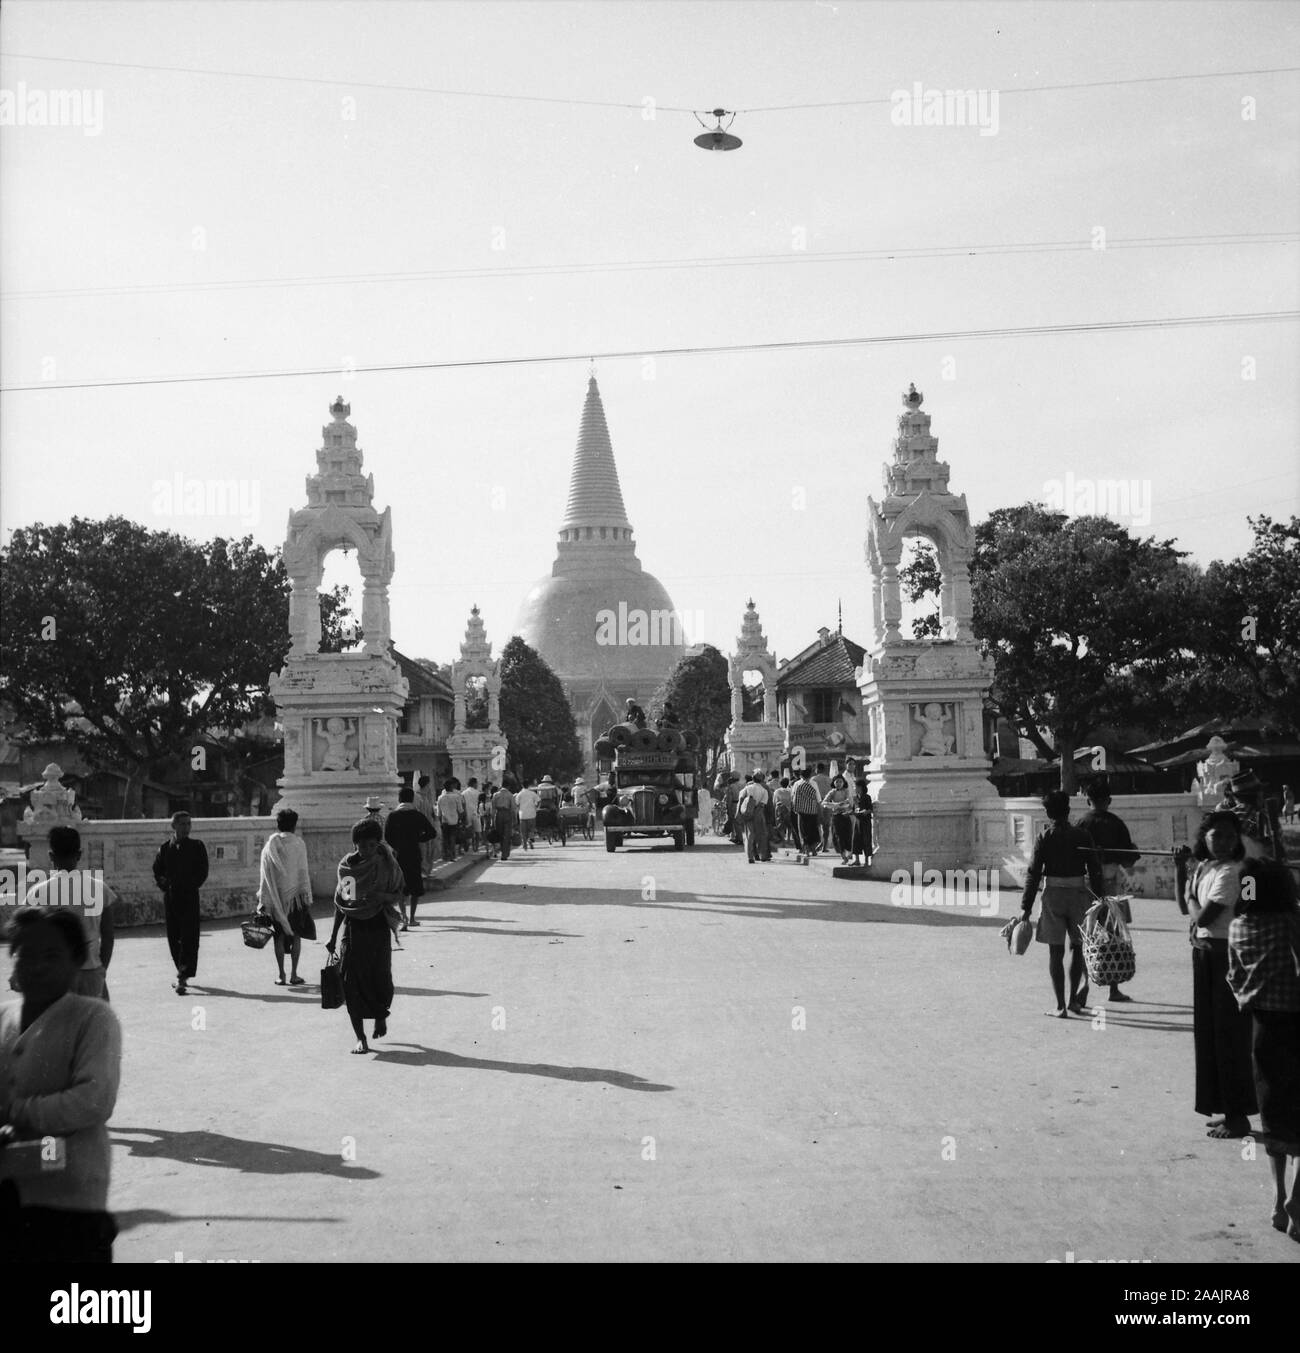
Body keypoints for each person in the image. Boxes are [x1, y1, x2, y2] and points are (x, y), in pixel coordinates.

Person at [0, 907, 123, 1261]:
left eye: (52, 955)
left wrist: (17, 1111)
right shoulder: (5, 1019)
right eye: (26, 954)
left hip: (71, 1198)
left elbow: (94, 1099)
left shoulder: (93, 1019)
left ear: (76, 962)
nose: (37, 965)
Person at [1227, 858, 1300, 1239]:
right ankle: (1298, 1202)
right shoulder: (1290, 922)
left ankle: (1278, 1199)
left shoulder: (1239, 927)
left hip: (1262, 1026)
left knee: (1272, 1110)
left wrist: (1250, 997)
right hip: (1296, 1020)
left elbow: (1234, 978)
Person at [1182, 811, 1258, 1138]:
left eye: (1230, 836)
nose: (1224, 842)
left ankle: (1238, 1116)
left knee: (1229, 1036)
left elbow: (1203, 917)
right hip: (1205, 955)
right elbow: (1185, 906)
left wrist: (1189, 901)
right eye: (1217, 836)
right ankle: (1227, 1108)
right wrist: (1180, 874)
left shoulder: (1231, 871)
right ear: (1205, 837)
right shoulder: (1205, 868)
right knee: (1210, 1035)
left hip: (1225, 956)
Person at [1019, 790, 1105, 1018]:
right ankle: (1074, 1001)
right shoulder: (1082, 836)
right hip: (1079, 894)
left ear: (1047, 812)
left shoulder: (1045, 837)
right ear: (1068, 810)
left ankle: (1060, 1006)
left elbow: (1033, 873)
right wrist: (1100, 901)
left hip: (1053, 896)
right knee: (1078, 949)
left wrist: (1025, 908)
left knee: (1055, 953)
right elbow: (1095, 871)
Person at [327, 819, 404, 1055]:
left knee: (380, 977)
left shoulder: (387, 864)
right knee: (351, 983)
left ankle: (381, 1015)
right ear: (355, 845)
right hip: (354, 929)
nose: (367, 850)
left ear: (377, 843)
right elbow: (345, 905)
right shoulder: (348, 869)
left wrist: (380, 896)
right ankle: (360, 1038)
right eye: (362, 846)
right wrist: (332, 937)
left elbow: (397, 894)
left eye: (371, 845)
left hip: (378, 926)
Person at [24, 826, 116, 1001]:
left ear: (51, 856)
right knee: (94, 1024)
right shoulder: (99, 888)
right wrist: (101, 968)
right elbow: (108, 935)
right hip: (91, 970)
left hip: (55, 973)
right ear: (79, 854)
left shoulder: (37, 893)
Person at [1077, 779, 1142, 1003]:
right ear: (1109, 800)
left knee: (1087, 933)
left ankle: (1084, 982)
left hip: (1086, 883)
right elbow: (1129, 861)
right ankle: (1113, 989)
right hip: (1111, 882)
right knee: (1113, 933)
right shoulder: (1116, 824)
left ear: (1088, 799)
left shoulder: (1081, 823)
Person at [151, 811, 208, 996]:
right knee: (174, 936)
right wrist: (165, 885)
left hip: (190, 896)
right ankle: (181, 970)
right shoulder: (165, 848)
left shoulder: (197, 846)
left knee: (190, 936)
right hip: (171, 897)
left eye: (188, 824)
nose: (186, 828)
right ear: (173, 826)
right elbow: (157, 870)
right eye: (182, 824)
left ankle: (183, 975)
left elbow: (202, 871)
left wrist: (191, 885)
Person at [256, 808, 316, 984]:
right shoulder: (299, 844)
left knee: (279, 936)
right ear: (295, 825)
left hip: (275, 899)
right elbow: (303, 872)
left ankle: (281, 975)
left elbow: (264, 877)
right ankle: (294, 974)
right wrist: (307, 898)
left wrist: (263, 901)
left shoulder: (269, 846)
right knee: (296, 934)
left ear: (278, 824)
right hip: (295, 899)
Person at [383, 788, 437, 929]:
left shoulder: (393, 816)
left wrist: (397, 846)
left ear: (399, 799)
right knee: (415, 887)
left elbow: (387, 836)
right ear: (412, 799)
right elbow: (432, 832)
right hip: (414, 854)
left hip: (399, 855)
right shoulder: (417, 815)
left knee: (401, 887)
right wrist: (418, 838)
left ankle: (404, 918)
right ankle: (412, 918)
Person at [791, 768, 822, 864]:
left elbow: (793, 797)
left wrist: (795, 809)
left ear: (800, 776)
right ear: (810, 775)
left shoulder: (797, 784)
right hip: (812, 811)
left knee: (803, 831)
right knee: (813, 830)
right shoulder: (813, 784)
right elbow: (818, 798)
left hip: (801, 811)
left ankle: (806, 850)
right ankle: (813, 850)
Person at [738, 771, 770, 863]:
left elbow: (741, 798)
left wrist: (739, 812)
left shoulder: (748, 788)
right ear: (762, 780)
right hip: (759, 814)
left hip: (748, 813)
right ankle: (762, 855)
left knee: (750, 835)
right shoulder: (764, 791)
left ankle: (750, 857)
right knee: (761, 835)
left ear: (753, 779)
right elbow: (762, 805)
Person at [824, 774, 856, 864]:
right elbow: (824, 802)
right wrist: (835, 805)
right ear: (834, 783)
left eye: (840, 781)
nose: (838, 783)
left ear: (843, 783)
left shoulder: (846, 791)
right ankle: (843, 855)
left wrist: (842, 804)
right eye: (837, 781)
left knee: (848, 835)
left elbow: (849, 802)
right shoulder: (832, 792)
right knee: (838, 836)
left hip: (846, 815)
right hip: (836, 816)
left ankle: (849, 853)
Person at [436, 779, 463, 862]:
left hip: (444, 821)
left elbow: (439, 813)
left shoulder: (440, 797)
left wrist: (440, 821)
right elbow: (460, 810)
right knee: (452, 838)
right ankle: (452, 856)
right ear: (451, 787)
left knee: (445, 839)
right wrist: (460, 820)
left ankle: (445, 856)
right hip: (454, 820)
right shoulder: (456, 797)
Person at [489, 782, 516, 860]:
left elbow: (493, 808)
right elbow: (513, 808)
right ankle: (505, 854)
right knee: (507, 834)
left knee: (500, 833)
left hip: (499, 814)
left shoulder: (496, 795)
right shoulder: (510, 795)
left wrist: (492, 820)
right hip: (507, 814)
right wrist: (514, 819)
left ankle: (502, 851)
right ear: (508, 786)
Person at [812, 763, 833, 852]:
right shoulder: (829, 779)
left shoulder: (813, 779)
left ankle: (816, 844)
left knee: (816, 826)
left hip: (817, 803)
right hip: (827, 803)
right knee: (826, 826)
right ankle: (824, 846)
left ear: (817, 769)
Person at [516, 780, 540, 849]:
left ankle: (524, 844)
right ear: (528, 785)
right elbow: (538, 801)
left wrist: (519, 809)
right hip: (532, 814)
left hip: (522, 815)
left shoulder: (519, 794)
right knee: (531, 829)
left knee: (523, 831)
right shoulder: (532, 793)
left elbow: (517, 803)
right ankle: (530, 840)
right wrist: (536, 807)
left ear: (522, 785)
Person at [462, 778, 483, 853]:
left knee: (467, 830)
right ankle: (476, 847)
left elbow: (463, 804)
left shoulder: (463, 793)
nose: (477, 785)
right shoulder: (478, 792)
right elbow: (479, 803)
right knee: (477, 831)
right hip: (475, 813)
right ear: (474, 783)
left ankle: (467, 844)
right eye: (477, 783)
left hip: (467, 814)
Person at [772, 777, 793, 847]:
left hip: (780, 811)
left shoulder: (777, 791)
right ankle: (789, 839)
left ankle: (783, 841)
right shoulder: (791, 790)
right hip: (789, 810)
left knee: (781, 826)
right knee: (789, 826)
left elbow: (774, 801)